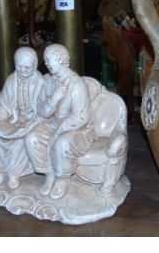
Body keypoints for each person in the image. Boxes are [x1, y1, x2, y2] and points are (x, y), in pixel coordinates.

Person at [25, 44, 94, 200]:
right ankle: (49, 173)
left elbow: (81, 117)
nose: (47, 64)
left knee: (61, 143)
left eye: (50, 60)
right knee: (32, 138)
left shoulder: (76, 84)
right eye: (46, 60)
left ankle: (62, 179)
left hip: (78, 129)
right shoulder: (48, 81)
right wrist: (53, 99)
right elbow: (42, 111)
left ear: (62, 60)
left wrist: (58, 131)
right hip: (54, 124)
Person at [0, 47, 44, 189]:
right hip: (14, 118)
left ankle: (14, 173)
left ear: (35, 65)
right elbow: (3, 103)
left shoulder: (41, 82)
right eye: (20, 66)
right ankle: (0, 170)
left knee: (19, 141)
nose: (23, 70)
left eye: (27, 67)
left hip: (34, 120)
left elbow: (45, 110)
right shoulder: (11, 80)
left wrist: (30, 124)